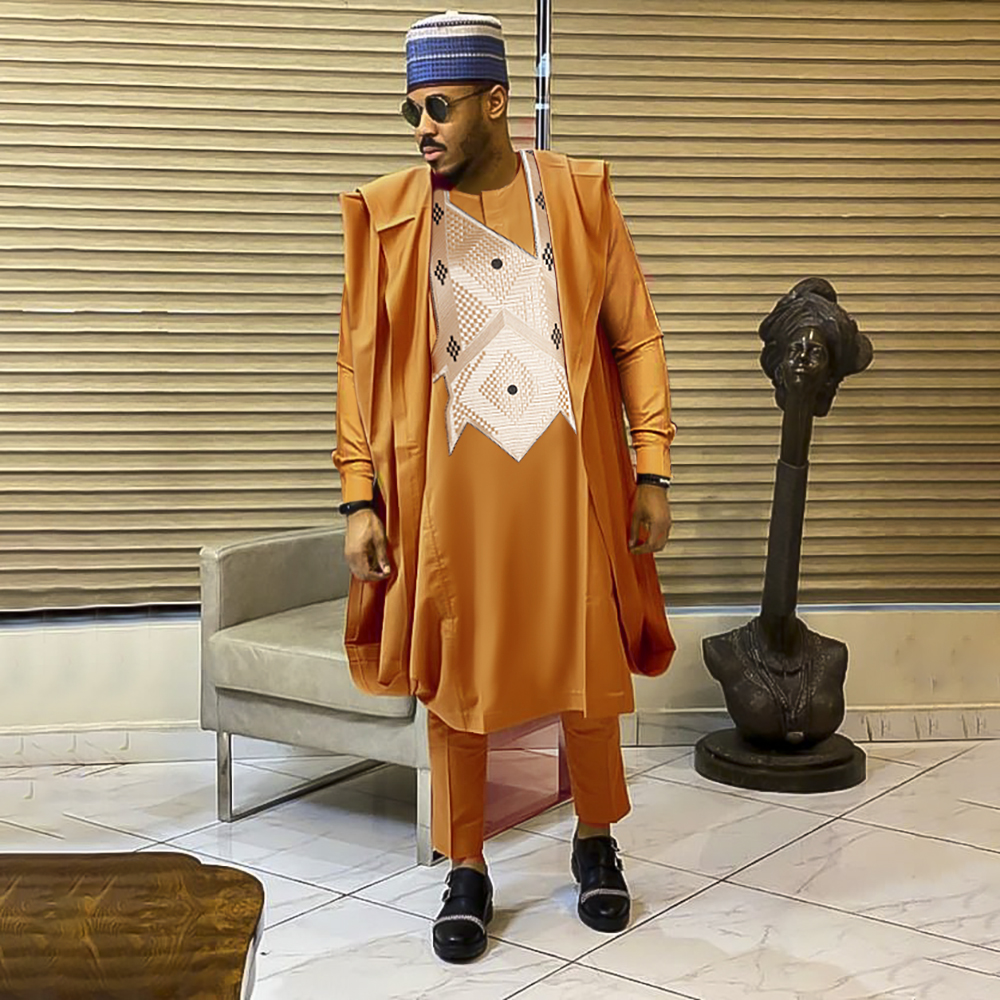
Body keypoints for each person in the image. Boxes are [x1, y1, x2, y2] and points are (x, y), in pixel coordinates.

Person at [332, 9, 676, 963]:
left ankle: (596, 843)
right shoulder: (392, 214)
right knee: (457, 672)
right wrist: (359, 494)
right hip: (450, 490)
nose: (421, 127)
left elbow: (635, 336)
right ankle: (467, 865)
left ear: (494, 101)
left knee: (586, 662)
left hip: (571, 481)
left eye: (437, 107)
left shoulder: (576, 197)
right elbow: (357, 363)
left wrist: (651, 466)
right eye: (410, 109)